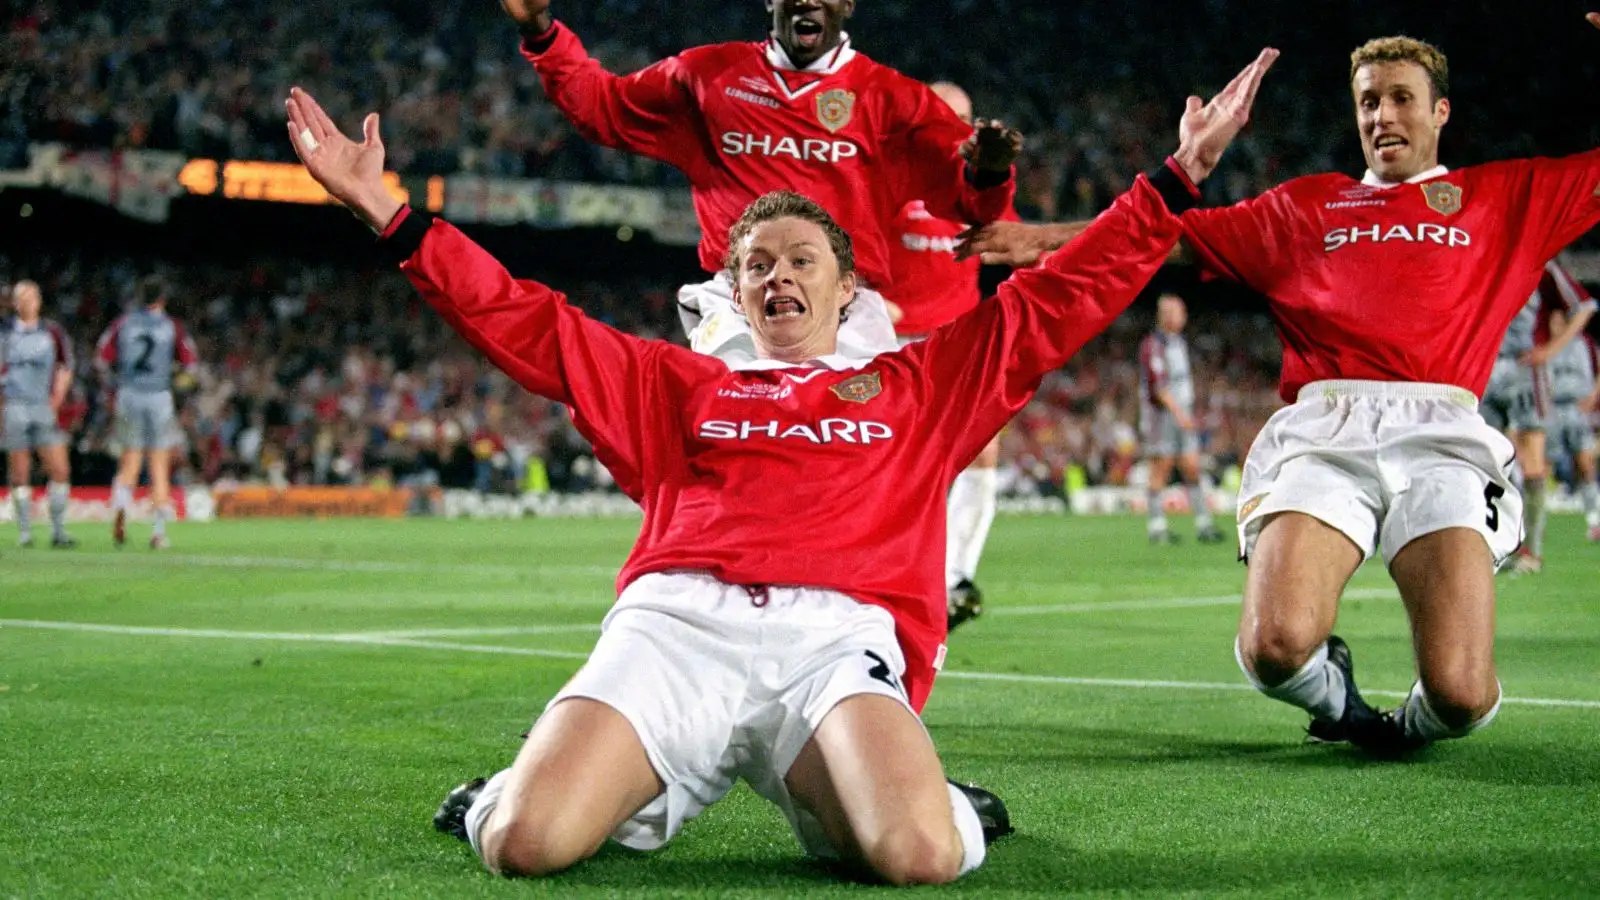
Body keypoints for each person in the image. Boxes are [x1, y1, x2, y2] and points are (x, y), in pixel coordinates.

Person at [284, 42, 1273, 882]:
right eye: (757, 264)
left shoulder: (917, 385)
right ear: (735, 291)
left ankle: (937, 798)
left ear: (849, 292)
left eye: (803, 259)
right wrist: (389, 212)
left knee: (919, 855)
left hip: (833, 645)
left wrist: (1176, 178)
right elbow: (523, 319)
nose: (778, 275)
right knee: (521, 843)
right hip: (678, 626)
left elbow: (1061, 298)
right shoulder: (678, 384)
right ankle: (508, 795)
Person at [959, 23, 1600, 755]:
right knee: (1274, 646)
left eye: (1400, 99)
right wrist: (1035, 238)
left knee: (1459, 694)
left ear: (1440, 112)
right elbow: (1164, 240)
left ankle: (1410, 729)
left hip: (1443, 435)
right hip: (1326, 430)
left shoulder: (1504, 197)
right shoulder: (1306, 208)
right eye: (1368, 102)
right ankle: (1349, 712)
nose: (1382, 117)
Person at [499, 0, 1021, 366]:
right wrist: (541, 32)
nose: (807, 3)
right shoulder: (708, 76)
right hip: (740, 301)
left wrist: (991, 172)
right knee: (747, 439)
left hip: (846, 303)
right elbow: (604, 109)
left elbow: (970, 203)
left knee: (855, 469)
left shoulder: (894, 100)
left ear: (849, 5)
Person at [883, 81, 1008, 629]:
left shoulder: (978, 196)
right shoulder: (888, 179)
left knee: (984, 452)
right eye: (944, 114)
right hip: (893, 347)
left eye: (965, 117)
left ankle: (954, 577)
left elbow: (1019, 241)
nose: (955, 126)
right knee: (894, 465)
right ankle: (880, 570)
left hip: (956, 346)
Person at [1481, 260, 1596, 573]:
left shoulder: (1541, 263)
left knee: (1533, 462)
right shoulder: (1478, 251)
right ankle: (1497, 547)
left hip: (1526, 372)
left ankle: (1531, 552)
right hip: (1483, 370)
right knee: (1484, 462)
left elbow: (1584, 306)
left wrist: (1552, 349)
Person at [94, 275, 198, 550]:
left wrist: (113, 389)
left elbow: (101, 358)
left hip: (128, 394)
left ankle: (120, 513)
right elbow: (190, 365)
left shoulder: (123, 324)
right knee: (158, 465)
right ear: (163, 299)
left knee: (129, 462)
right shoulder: (171, 327)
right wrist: (177, 384)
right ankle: (158, 533)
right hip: (158, 396)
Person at [1137, 293, 1223, 545]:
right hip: (1161, 417)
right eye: (1179, 312)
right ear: (1166, 316)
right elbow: (1159, 388)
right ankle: (1156, 527)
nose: (1184, 317)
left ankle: (1204, 524)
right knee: (1160, 469)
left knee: (1192, 467)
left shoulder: (1179, 342)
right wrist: (1181, 414)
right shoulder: (1154, 345)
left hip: (1182, 414)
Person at [1, 281, 77, 548]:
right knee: (20, 472)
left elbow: (65, 368)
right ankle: (25, 532)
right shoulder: (5, 333)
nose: (28, 301)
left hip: (43, 407)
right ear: (15, 303)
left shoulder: (52, 332)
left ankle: (58, 531)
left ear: (39, 301)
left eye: (32, 296)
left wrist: (55, 401)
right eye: (22, 297)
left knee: (59, 469)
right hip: (14, 406)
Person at [1541, 305, 1600, 541]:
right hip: (1551, 411)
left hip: (1576, 410)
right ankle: (1536, 526)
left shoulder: (1580, 345)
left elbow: (1595, 372)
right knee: (1541, 466)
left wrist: (1593, 397)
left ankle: (1595, 520)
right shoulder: (1543, 346)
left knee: (1585, 464)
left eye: (1558, 321)